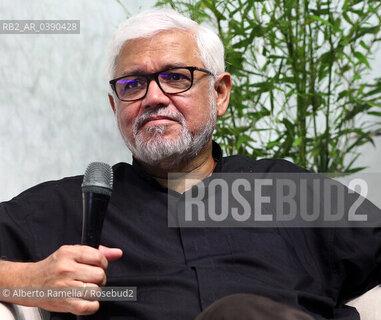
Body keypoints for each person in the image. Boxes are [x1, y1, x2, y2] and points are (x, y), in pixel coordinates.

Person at [0, 8, 380, 320]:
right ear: (116, 107)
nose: (152, 97)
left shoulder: (288, 190)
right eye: (132, 85)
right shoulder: (75, 204)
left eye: (175, 77)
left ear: (220, 94)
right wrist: (28, 278)